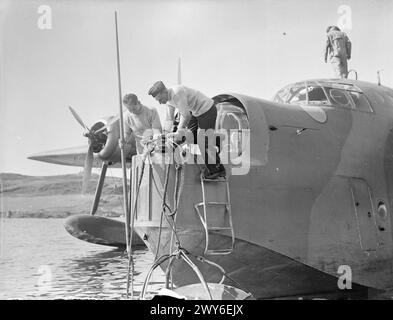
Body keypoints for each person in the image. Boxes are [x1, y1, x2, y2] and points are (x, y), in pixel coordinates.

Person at [148, 81, 225, 179]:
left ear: (164, 91)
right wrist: (164, 135)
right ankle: (209, 145)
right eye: (157, 101)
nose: (159, 103)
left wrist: (179, 131)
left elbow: (186, 115)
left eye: (160, 99)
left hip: (207, 110)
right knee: (189, 136)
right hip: (195, 112)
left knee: (202, 141)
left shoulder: (177, 93)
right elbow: (169, 119)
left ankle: (217, 169)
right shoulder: (168, 100)